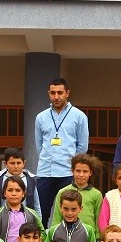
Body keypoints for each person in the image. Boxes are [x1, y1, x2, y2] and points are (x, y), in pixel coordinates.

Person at [34, 78, 90, 215]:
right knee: (41, 213)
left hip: (67, 172)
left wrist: (73, 165)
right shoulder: (41, 117)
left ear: (67, 93)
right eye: (53, 93)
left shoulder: (79, 116)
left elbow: (82, 146)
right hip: (45, 171)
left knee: (68, 212)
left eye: (60, 92)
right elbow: (39, 145)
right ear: (49, 93)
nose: (56, 97)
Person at [0, 147, 40, 217]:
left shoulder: (30, 179)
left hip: (26, 220)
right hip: (2, 220)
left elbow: (36, 205)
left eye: (18, 163)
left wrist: (38, 224)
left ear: (24, 163)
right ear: (5, 163)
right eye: (12, 163)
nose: (16, 166)